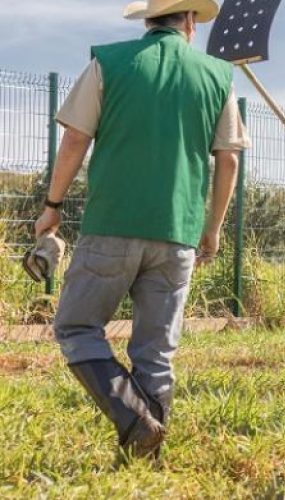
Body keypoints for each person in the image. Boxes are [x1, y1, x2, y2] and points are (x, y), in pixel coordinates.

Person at [33, 0, 249, 458]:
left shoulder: (108, 63)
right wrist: (212, 228)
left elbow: (75, 138)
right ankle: (147, 455)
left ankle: (134, 420)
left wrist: (52, 206)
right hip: (179, 232)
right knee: (156, 351)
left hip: (113, 223)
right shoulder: (217, 76)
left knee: (76, 326)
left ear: (149, 21)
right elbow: (228, 157)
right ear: (189, 21)